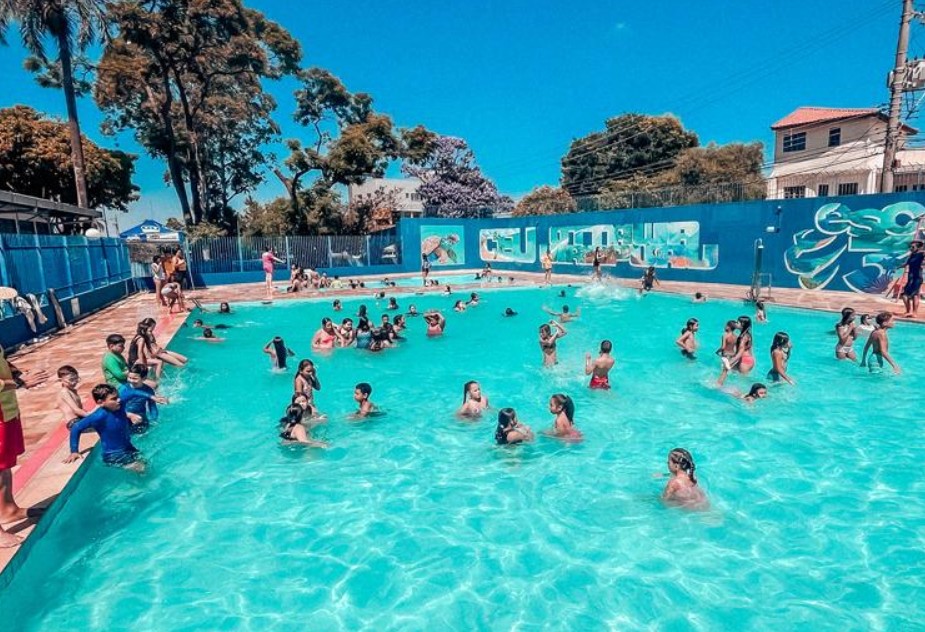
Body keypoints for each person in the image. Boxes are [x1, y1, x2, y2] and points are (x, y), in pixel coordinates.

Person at [64, 384, 143, 471]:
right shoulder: (98, 416)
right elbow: (76, 427)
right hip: (114, 455)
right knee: (141, 470)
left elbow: (133, 392)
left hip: (128, 448)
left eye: (118, 397)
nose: (119, 400)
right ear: (100, 402)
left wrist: (152, 397)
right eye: (113, 399)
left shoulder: (118, 406)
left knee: (145, 464)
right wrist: (74, 451)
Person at [0, 345, 31, 547]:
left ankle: (8, 509)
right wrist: (19, 382)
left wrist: (18, 372)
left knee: (5, 464)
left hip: (6, 409)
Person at [119, 364, 168, 432]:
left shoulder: (148, 390)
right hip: (125, 416)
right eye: (129, 377)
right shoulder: (123, 389)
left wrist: (154, 420)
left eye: (135, 378)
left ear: (144, 378)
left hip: (140, 416)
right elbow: (118, 407)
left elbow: (152, 407)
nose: (131, 380)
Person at [56, 365, 87, 429]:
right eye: (71, 380)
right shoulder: (64, 392)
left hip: (79, 419)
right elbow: (76, 410)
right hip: (73, 423)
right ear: (60, 380)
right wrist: (92, 416)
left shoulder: (72, 391)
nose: (74, 382)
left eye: (76, 379)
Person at [901, 240, 924, 318]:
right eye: (910, 247)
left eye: (913, 247)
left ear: (918, 247)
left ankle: (914, 313)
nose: (911, 248)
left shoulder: (922, 254)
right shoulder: (912, 255)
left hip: (917, 278)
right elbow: (906, 264)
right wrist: (897, 266)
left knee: (915, 295)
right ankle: (908, 311)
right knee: (904, 295)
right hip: (910, 278)